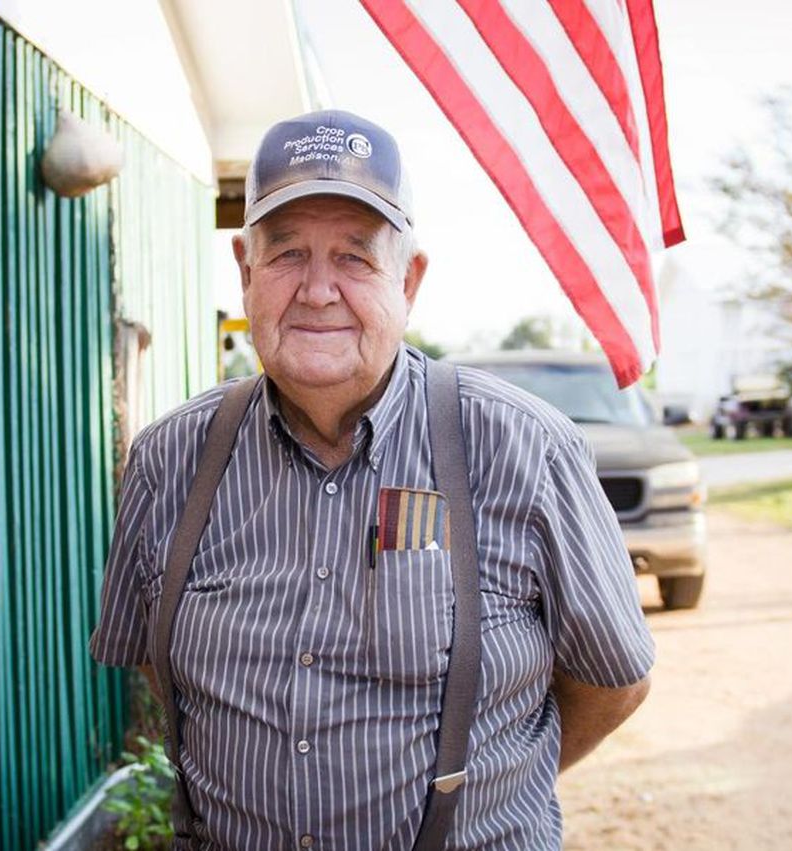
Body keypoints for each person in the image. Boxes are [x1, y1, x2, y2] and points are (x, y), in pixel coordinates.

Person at [90, 109, 654, 850]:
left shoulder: (528, 448)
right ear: (245, 270)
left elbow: (612, 683)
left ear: (408, 277)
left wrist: (488, 792)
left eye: (355, 257)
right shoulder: (169, 459)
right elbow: (165, 676)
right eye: (288, 252)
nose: (318, 289)